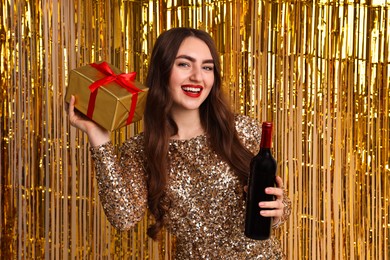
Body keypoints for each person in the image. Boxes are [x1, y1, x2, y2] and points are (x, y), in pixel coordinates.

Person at [68, 27, 291, 259]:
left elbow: (280, 205)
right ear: (162, 70)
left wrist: (278, 212)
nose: (197, 76)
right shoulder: (139, 150)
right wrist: (99, 138)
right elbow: (123, 218)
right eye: (184, 64)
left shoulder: (245, 130)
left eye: (207, 67)